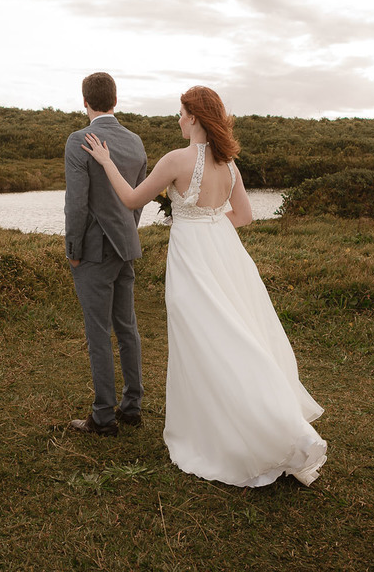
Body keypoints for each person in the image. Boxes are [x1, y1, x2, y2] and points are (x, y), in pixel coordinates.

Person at [82, 85, 326, 486]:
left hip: (193, 260)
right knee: (230, 332)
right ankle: (256, 418)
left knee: (201, 338)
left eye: (181, 112)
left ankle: (225, 431)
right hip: (224, 255)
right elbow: (244, 216)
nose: (177, 118)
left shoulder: (177, 159)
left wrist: (107, 161)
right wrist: (210, 225)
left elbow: (129, 200)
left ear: (193, 116)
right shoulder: (230, 166)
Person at [64, 72, 149, 437]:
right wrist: (127, 232)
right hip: (125, 248)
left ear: (85, 101)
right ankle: (132, 406)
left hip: (94, 254)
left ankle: (103, 416)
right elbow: (138, 199)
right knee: (127, 327)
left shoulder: (79, 140)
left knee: (98, 333)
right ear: (115, 99)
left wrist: (74, 250)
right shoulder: (134, 141)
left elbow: (77, 204)